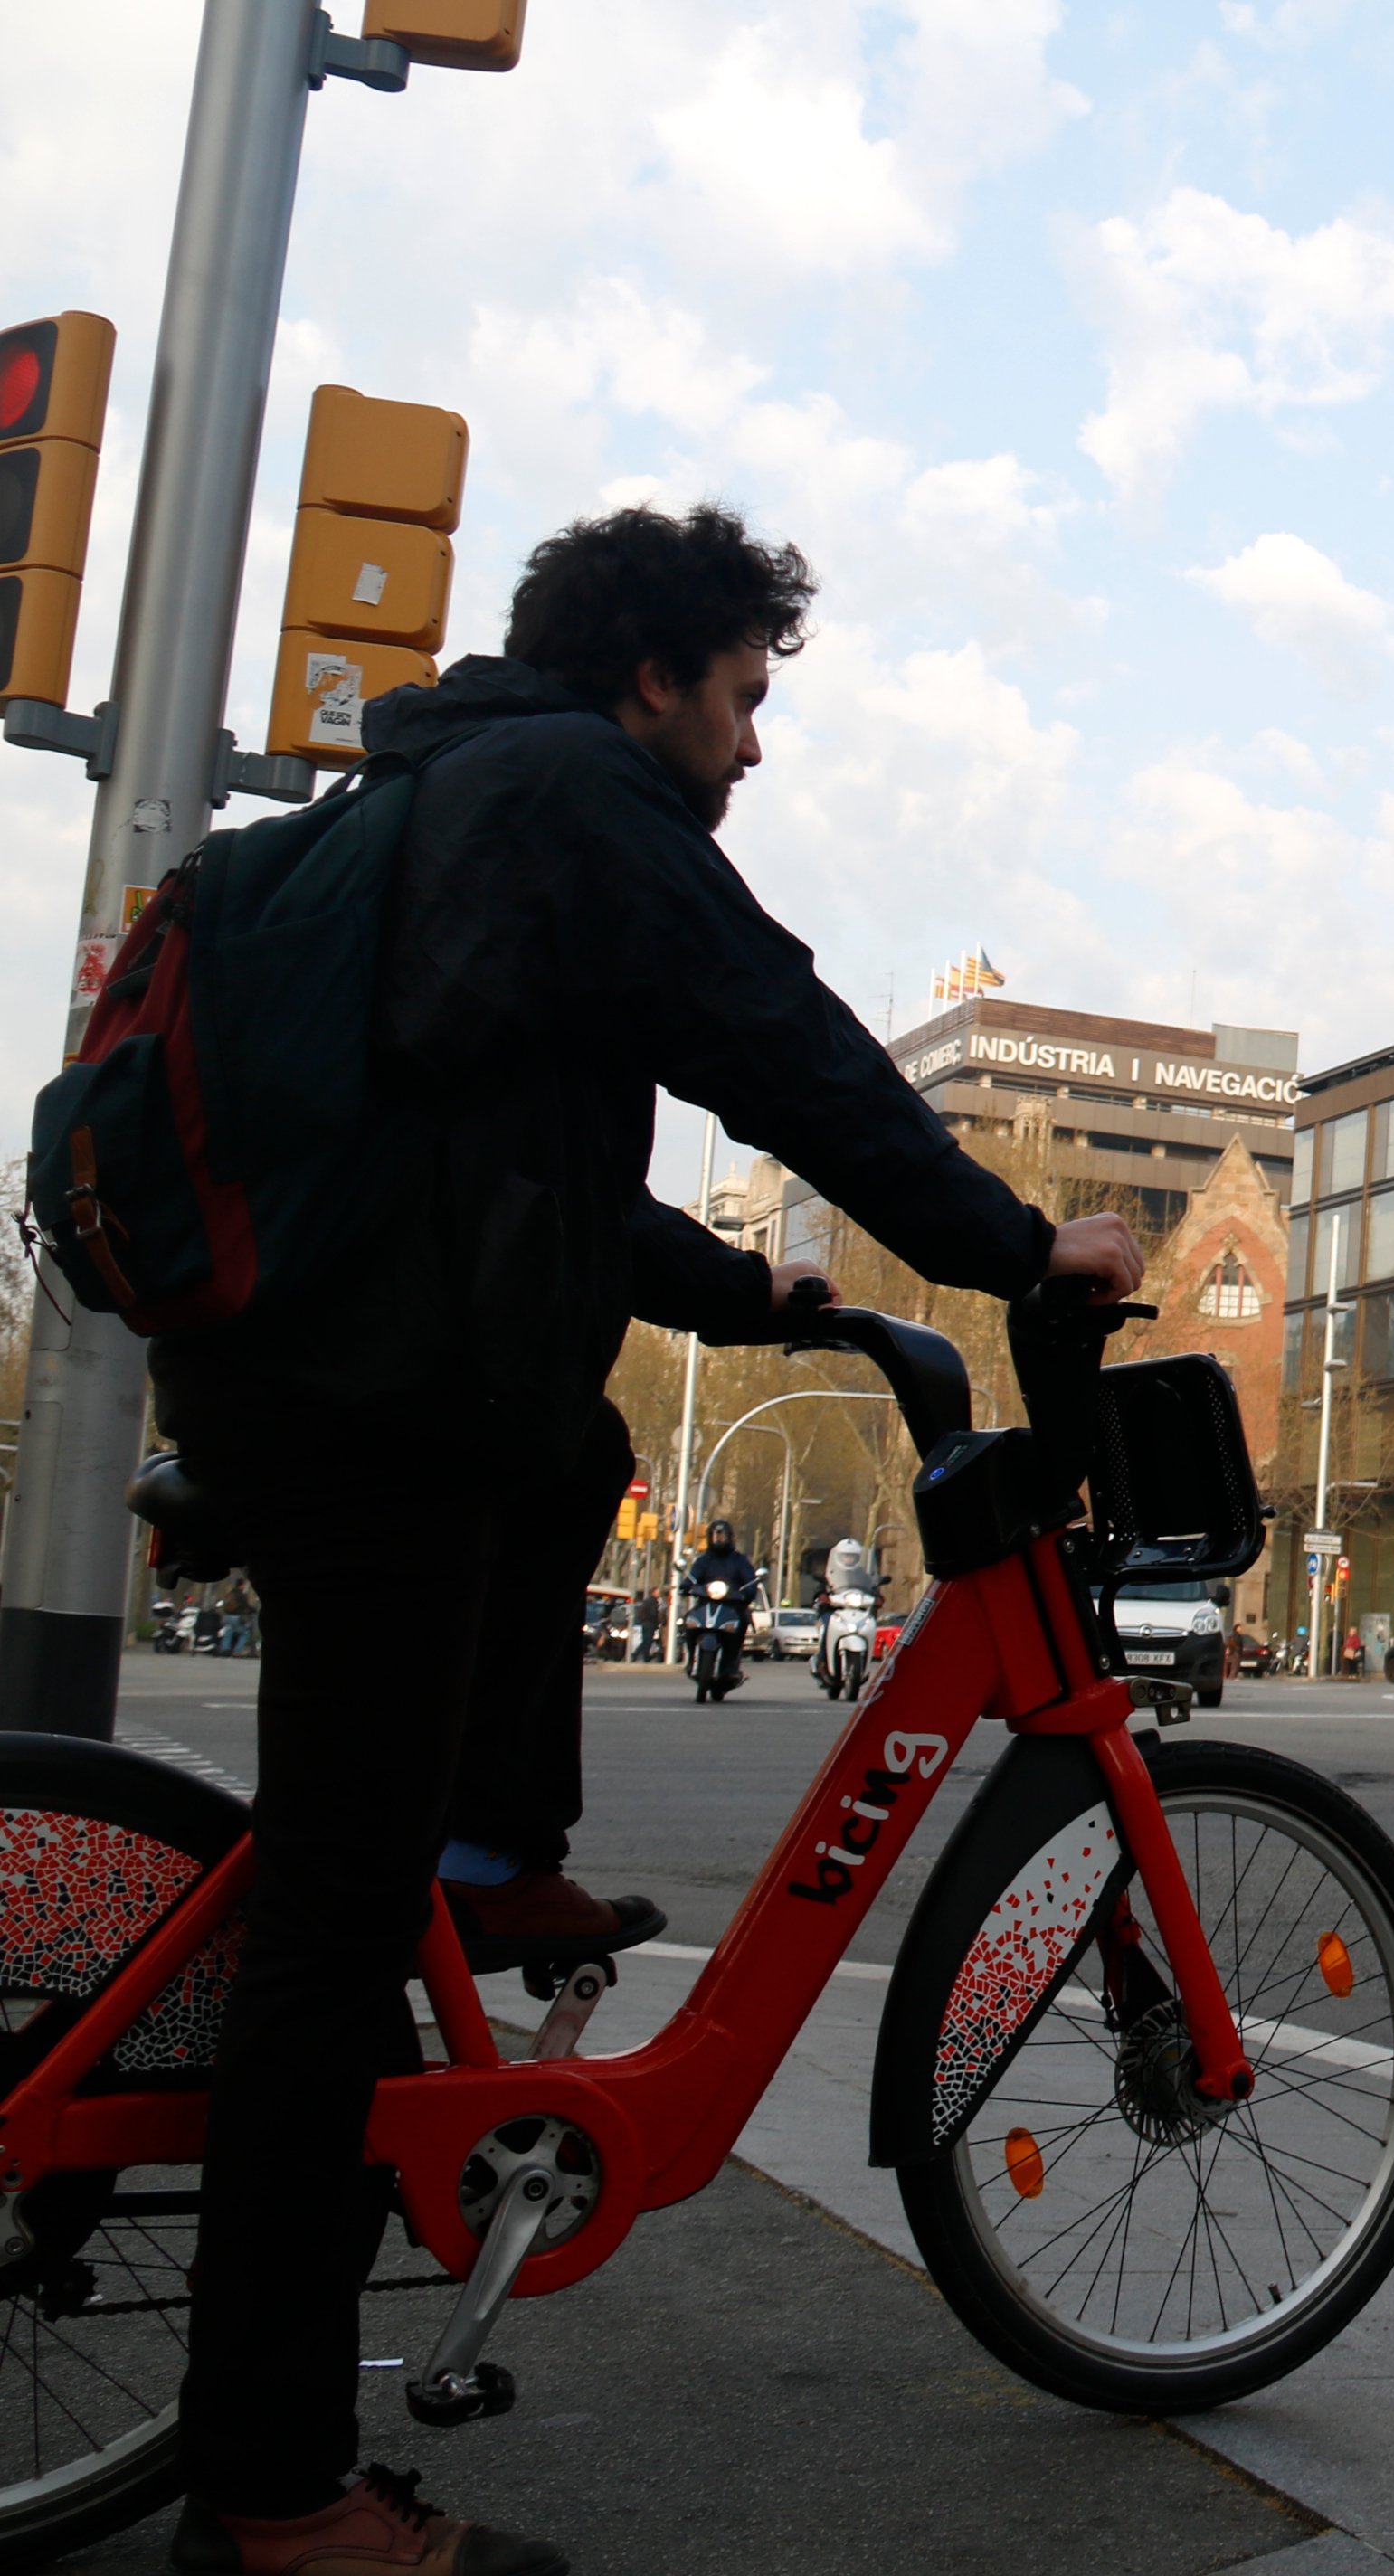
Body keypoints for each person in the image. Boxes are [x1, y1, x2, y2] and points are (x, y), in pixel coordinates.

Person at [155, 501, 1144, 2576]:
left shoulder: (448, 798)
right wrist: (1010, 1240)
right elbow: (785, 1046)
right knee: (326, 1945)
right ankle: (273, 2494)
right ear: (656, 676)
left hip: (344, 1359)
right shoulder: (583, 797)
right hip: (365, 1401)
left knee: (574, 1437)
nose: (754, 749)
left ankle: (493, 1862)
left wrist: (748, 1298)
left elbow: (513, 1165)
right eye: (747, 698)